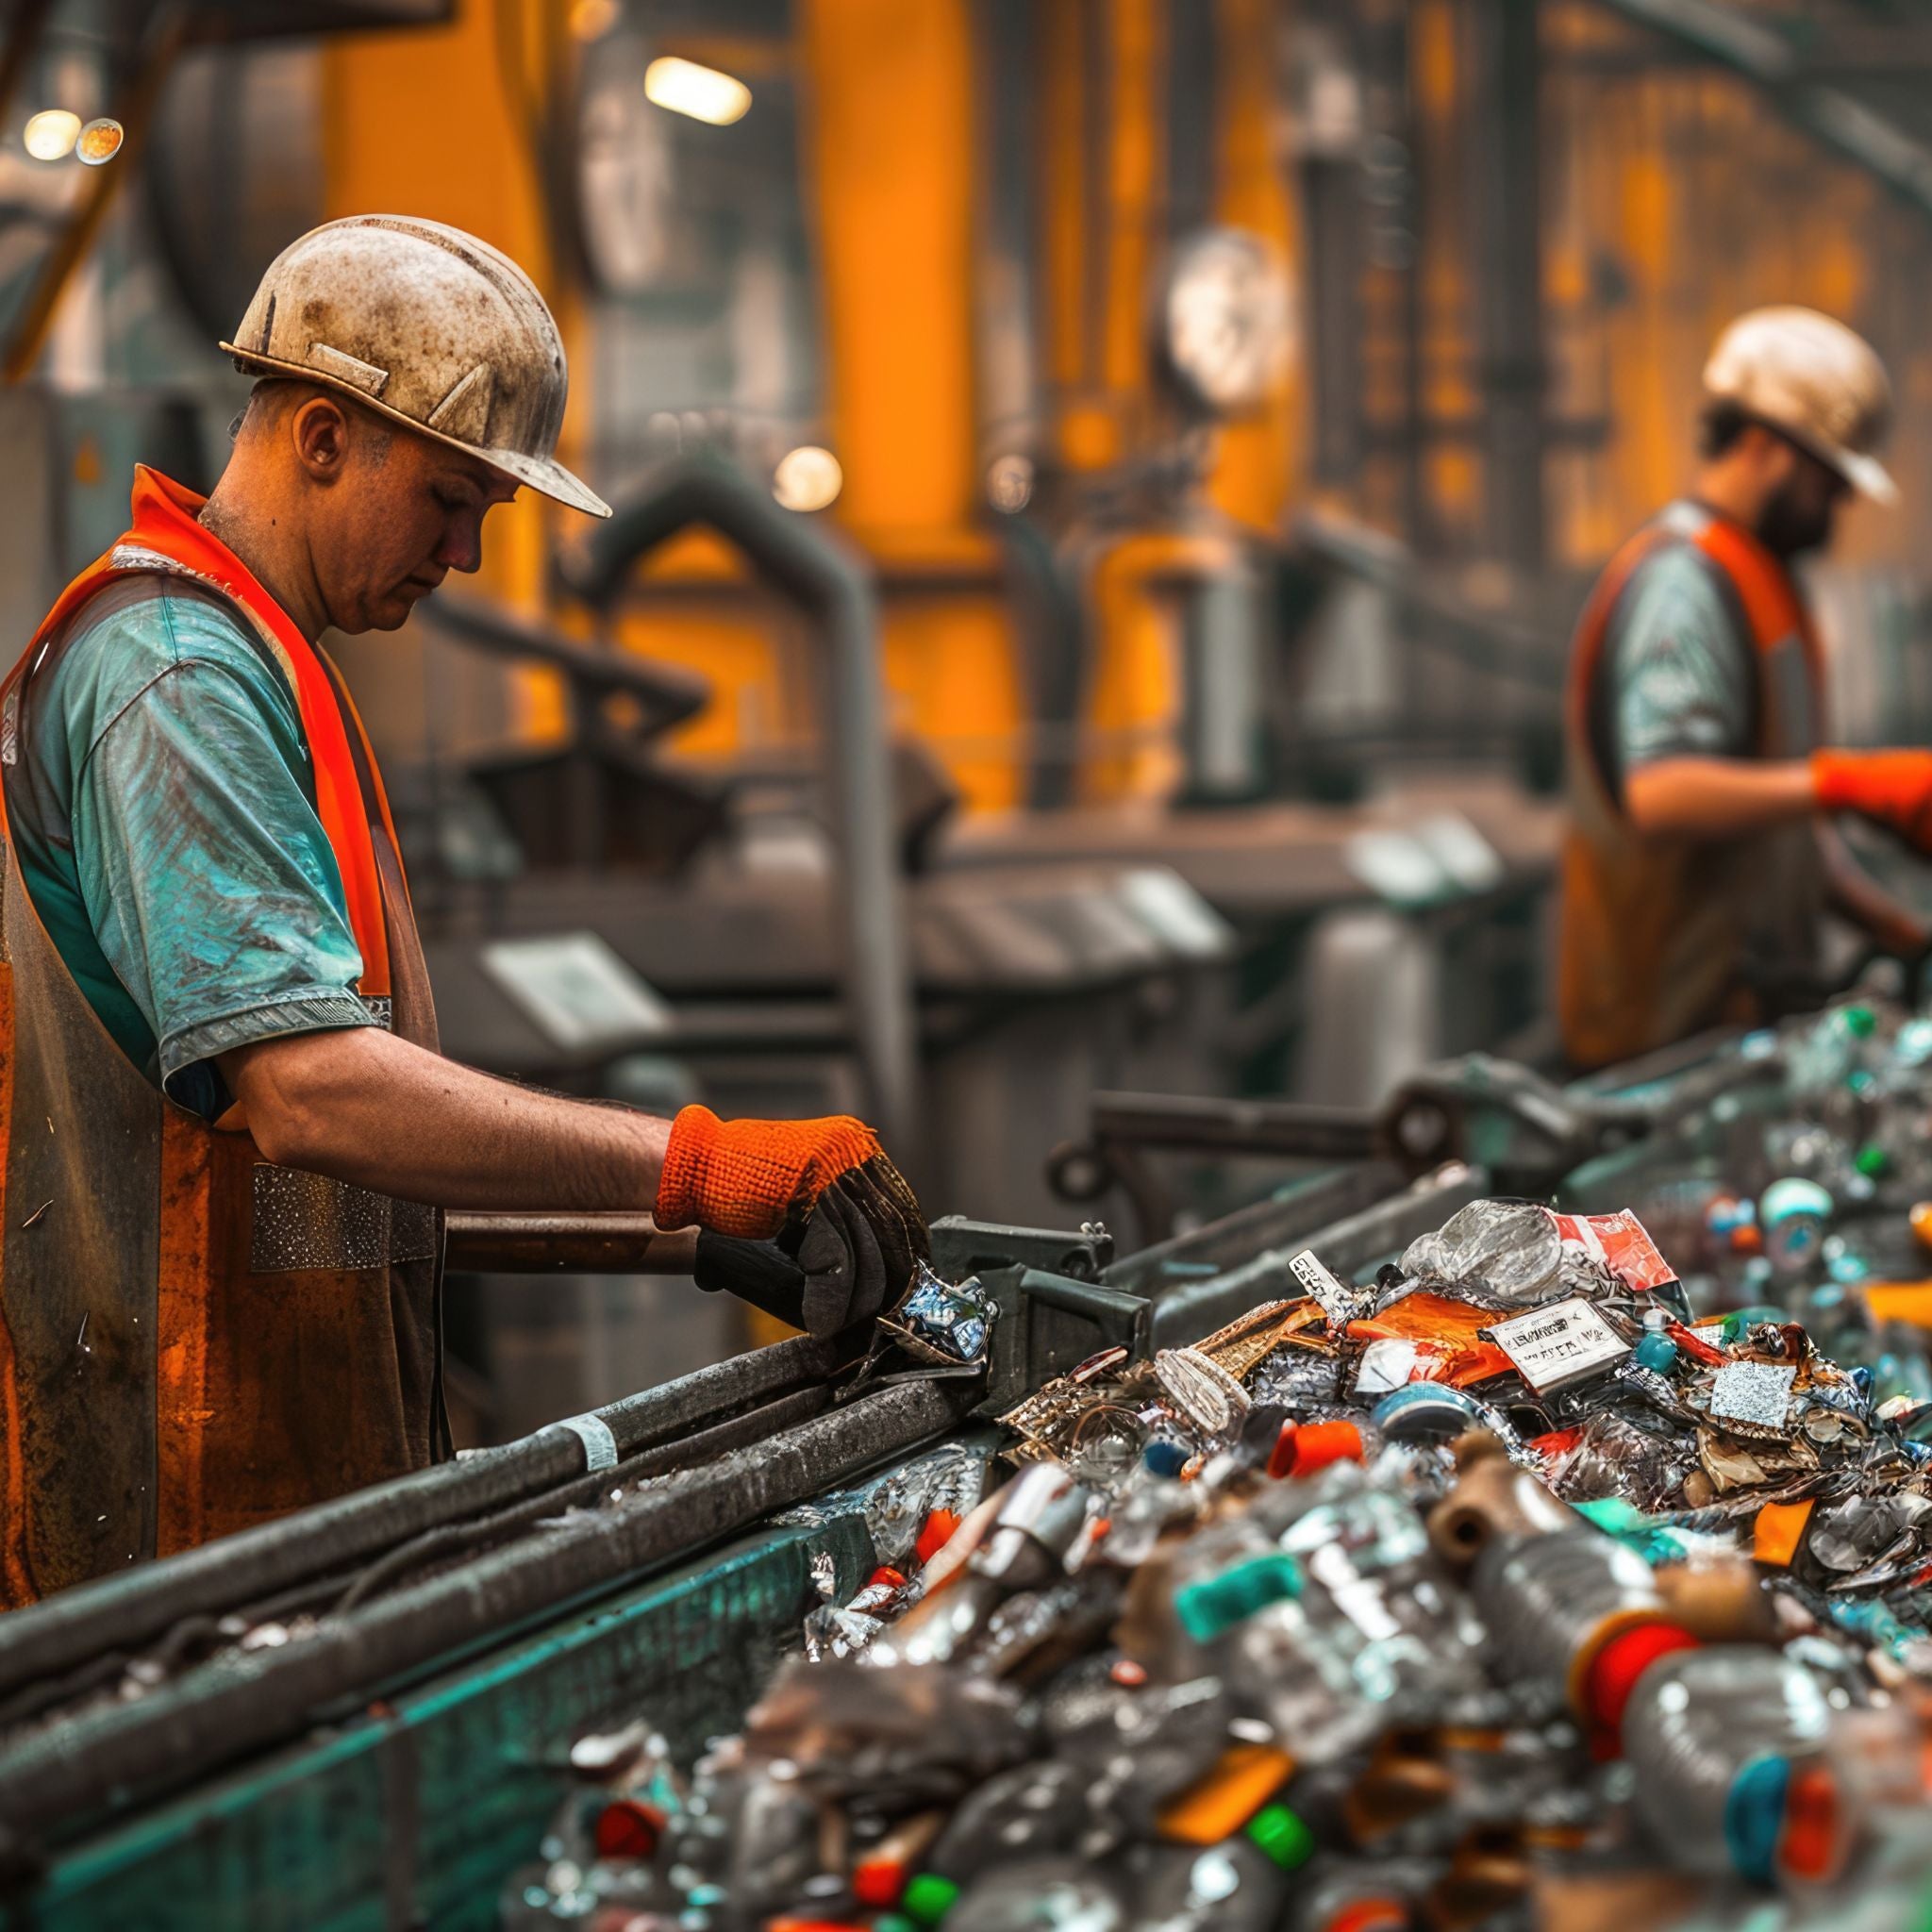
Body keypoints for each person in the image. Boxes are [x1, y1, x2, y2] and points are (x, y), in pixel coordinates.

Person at [0, 215, 926, 1608]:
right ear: (322, 436)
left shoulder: (268, 666)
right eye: (451, 500)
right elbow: (313, 1098)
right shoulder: (178, 679)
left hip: (264, 1513)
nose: (469, 556)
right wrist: (696, 1162)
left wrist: (692, 1241)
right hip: (160, 1519)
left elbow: (300, 1196)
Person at [1560, 305, 1932, 1070]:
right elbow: (1662, 795)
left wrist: (1894, 927)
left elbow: (1780, 834)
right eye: (1828, 479)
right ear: (1766, 446)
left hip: (1740, 1035)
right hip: (1659, 1053)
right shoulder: (1684, 583)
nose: (1840, 505)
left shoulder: (1761, 582)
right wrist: (1849, 782)